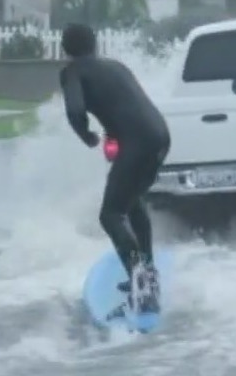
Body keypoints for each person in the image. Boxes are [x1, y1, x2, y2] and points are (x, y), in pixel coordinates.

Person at [59, 23, 171, 312]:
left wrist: (87, 136)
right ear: (95, 45)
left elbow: (74, 110)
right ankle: (148, 273)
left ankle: (142, 287)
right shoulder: (116, 66)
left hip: (136, 143)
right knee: (133, 203)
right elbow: (128, 104)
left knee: (110, 215)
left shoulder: (73, 72)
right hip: (160, 135)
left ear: (65, 50)